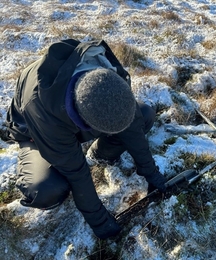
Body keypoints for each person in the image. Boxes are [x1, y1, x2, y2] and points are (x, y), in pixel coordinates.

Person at [5, 39, 167, 239]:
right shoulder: (42, 109)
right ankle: (39, 174)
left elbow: (132, 125)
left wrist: (151, 173)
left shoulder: (111, 76)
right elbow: (76, 171)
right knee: (46, 189)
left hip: (78, 111)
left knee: (144, 116)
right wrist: (99, 220)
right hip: (34, 132)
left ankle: (100, 154)